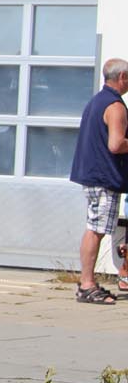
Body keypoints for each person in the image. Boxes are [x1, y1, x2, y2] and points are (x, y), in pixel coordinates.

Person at [68, 58, 128, 305]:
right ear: (122, 76)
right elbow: (116, 144)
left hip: (94, 175)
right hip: (104, 177)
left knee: (95, 228)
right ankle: (87, 284)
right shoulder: (115, 106)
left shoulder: (97, 101)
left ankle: (87, 283)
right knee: (96, 230)